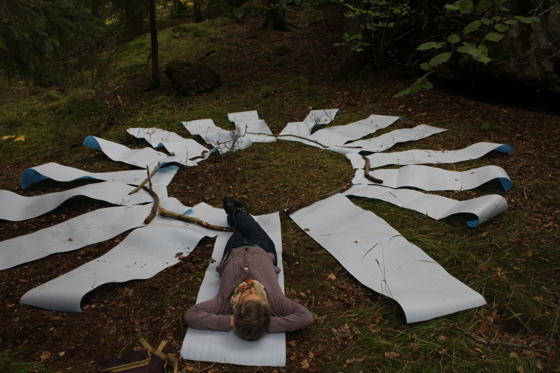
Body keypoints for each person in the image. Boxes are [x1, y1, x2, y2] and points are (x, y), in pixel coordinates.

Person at [184, 196, 313, 341]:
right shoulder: (275, 302)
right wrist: (266, 323)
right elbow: (305, 317)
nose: (251, 288)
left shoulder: (223, 303)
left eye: (245, 296)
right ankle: (240, 214)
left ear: (236, 310)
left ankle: (236, 215)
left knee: (239, 230)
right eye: (256, 294)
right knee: (248, 224)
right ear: (264, 307)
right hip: (261, 247)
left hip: (234, 250)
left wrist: (230, 321)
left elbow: (192, 315)